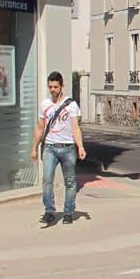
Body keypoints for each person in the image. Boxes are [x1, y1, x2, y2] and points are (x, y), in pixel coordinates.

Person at [31, 71, 86, 227]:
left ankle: (68, 211)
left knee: (70, 181)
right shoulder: (45, 105)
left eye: (55, 87)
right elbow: (40, 127)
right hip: (50, 147)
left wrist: (80, 146)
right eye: (50, 87)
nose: (53, 90)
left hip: (68, 147)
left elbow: (75, 127)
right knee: (47, 179)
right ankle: (49, 211)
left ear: (62, 86)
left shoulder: (72, 105)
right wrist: (34, 148)